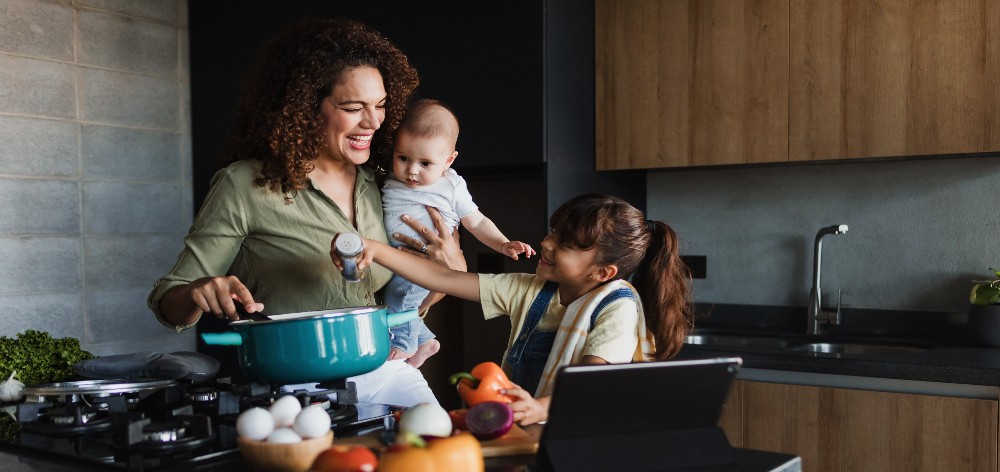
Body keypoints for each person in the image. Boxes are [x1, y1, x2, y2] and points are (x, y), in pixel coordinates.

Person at [147, 17, 466, 408]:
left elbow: (412, 294)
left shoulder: (386, 182)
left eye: (381, 105)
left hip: (387, 371)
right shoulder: (245, 185)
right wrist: (198, 291)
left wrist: (450, 272)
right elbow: (168, 303)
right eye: (353, 108)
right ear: (306, 106)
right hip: (297, 392)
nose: (375, 122)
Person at [333, 193, 695, 425]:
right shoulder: (530, 291)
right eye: (552, 231)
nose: (546, 243)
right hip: (527, 431)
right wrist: (375, 250)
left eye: (565, 243)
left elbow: (591, 386)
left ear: (603, 272)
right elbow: (443, 278)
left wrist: (541, 409)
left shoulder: (617, 307)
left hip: (584, 438)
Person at [382, 99, 535, 368]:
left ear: (449, 160)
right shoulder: (391, 178)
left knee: (400, 298)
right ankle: (425, 341)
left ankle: (402, 345)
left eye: (425, 163)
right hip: (398, 258)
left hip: (423, 262)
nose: (411, 170)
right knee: (397, 301)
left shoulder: (450, 187)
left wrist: (502, 244)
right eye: (403, 157)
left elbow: (476, 222)